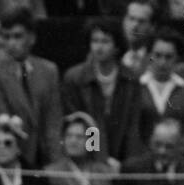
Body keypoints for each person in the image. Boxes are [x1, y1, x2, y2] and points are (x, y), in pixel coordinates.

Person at [0, 9, 62, 170]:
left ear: (31, 38)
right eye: (6, 37)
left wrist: (57, 162)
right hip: (14, 156)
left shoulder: (49, 70)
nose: (11, 43)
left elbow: (54, 121)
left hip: (45, 154)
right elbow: (1, 116)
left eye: (17, 36)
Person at [60, 20, 144, 163]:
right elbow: (78, 122)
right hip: (87, 158)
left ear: (117, 46)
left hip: (122, 158)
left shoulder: (131, 79)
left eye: (105, 41)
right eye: (95, 41)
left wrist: (128, 164)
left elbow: (133, 127)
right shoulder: (75, 78)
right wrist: (99, 161)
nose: (99, 47)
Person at [138, 31, 184, 149]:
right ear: (149, 56)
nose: (162, 62)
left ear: (177, 58)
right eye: (157, 55)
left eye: (168, 57)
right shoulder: (137, 87)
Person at [119, 116, 184, 185]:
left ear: (179, 146)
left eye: (169, 147)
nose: (162, 151)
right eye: (157, 145)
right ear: (150, 142)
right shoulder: (133, 168)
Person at [45, 111, 115, 185]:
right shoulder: (52, 173)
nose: (73, 141)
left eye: (79, 137)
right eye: (69, 136)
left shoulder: (104, 173)